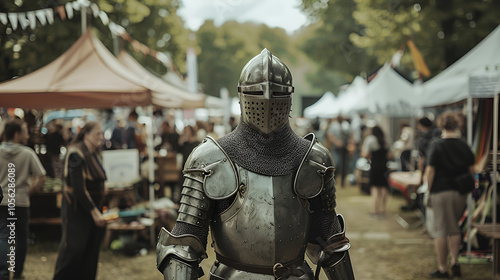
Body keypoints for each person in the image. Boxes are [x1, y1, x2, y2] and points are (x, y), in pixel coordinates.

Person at [156, 49, 354, 279]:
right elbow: (183, 246)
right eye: (257, 93)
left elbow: (330, 240)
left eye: (277, 94)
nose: (267, 102)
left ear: (289, 96)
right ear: (242, 96)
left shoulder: (313, 160)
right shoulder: (210, 160)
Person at [53, 121, 107, 280]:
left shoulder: (95, 151)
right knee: (74, 249)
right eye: (97, 133)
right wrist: (94, 211)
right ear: (86, 134)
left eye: (101, 133)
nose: (100, 137)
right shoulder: (76, 153)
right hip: (77, 208)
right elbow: (78, 188)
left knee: (91, 249)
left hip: (94, 205)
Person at [424, 111, 475, 278]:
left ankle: (443, 268)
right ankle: (456, 262)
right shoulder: (464, 144)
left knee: (441, 229)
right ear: (457, 125)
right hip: (460, 191)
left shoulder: (436, 144)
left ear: (441, 125)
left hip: (440, 190)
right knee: (454, 227)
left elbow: (430, 171)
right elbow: (471, 170)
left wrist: (428, 190)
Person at [0, 119, 46, 280]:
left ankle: (3, 273)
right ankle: (17, 273)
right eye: (25, 131)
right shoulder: (27, 153)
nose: (28, 134)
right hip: (20, 201)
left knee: (3, 236)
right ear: (17, 134)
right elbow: (41, 175)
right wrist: (30, 190)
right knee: (20, 238)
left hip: (2, 201)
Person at [361, 125, 391, 217]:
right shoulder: (386, 139)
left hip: (374, 166)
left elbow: (364, 154)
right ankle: (383, 209)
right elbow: (390, 154)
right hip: (384, 166)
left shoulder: (370, 139)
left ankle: (375, 210)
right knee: (383, 187)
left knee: (374, 188)